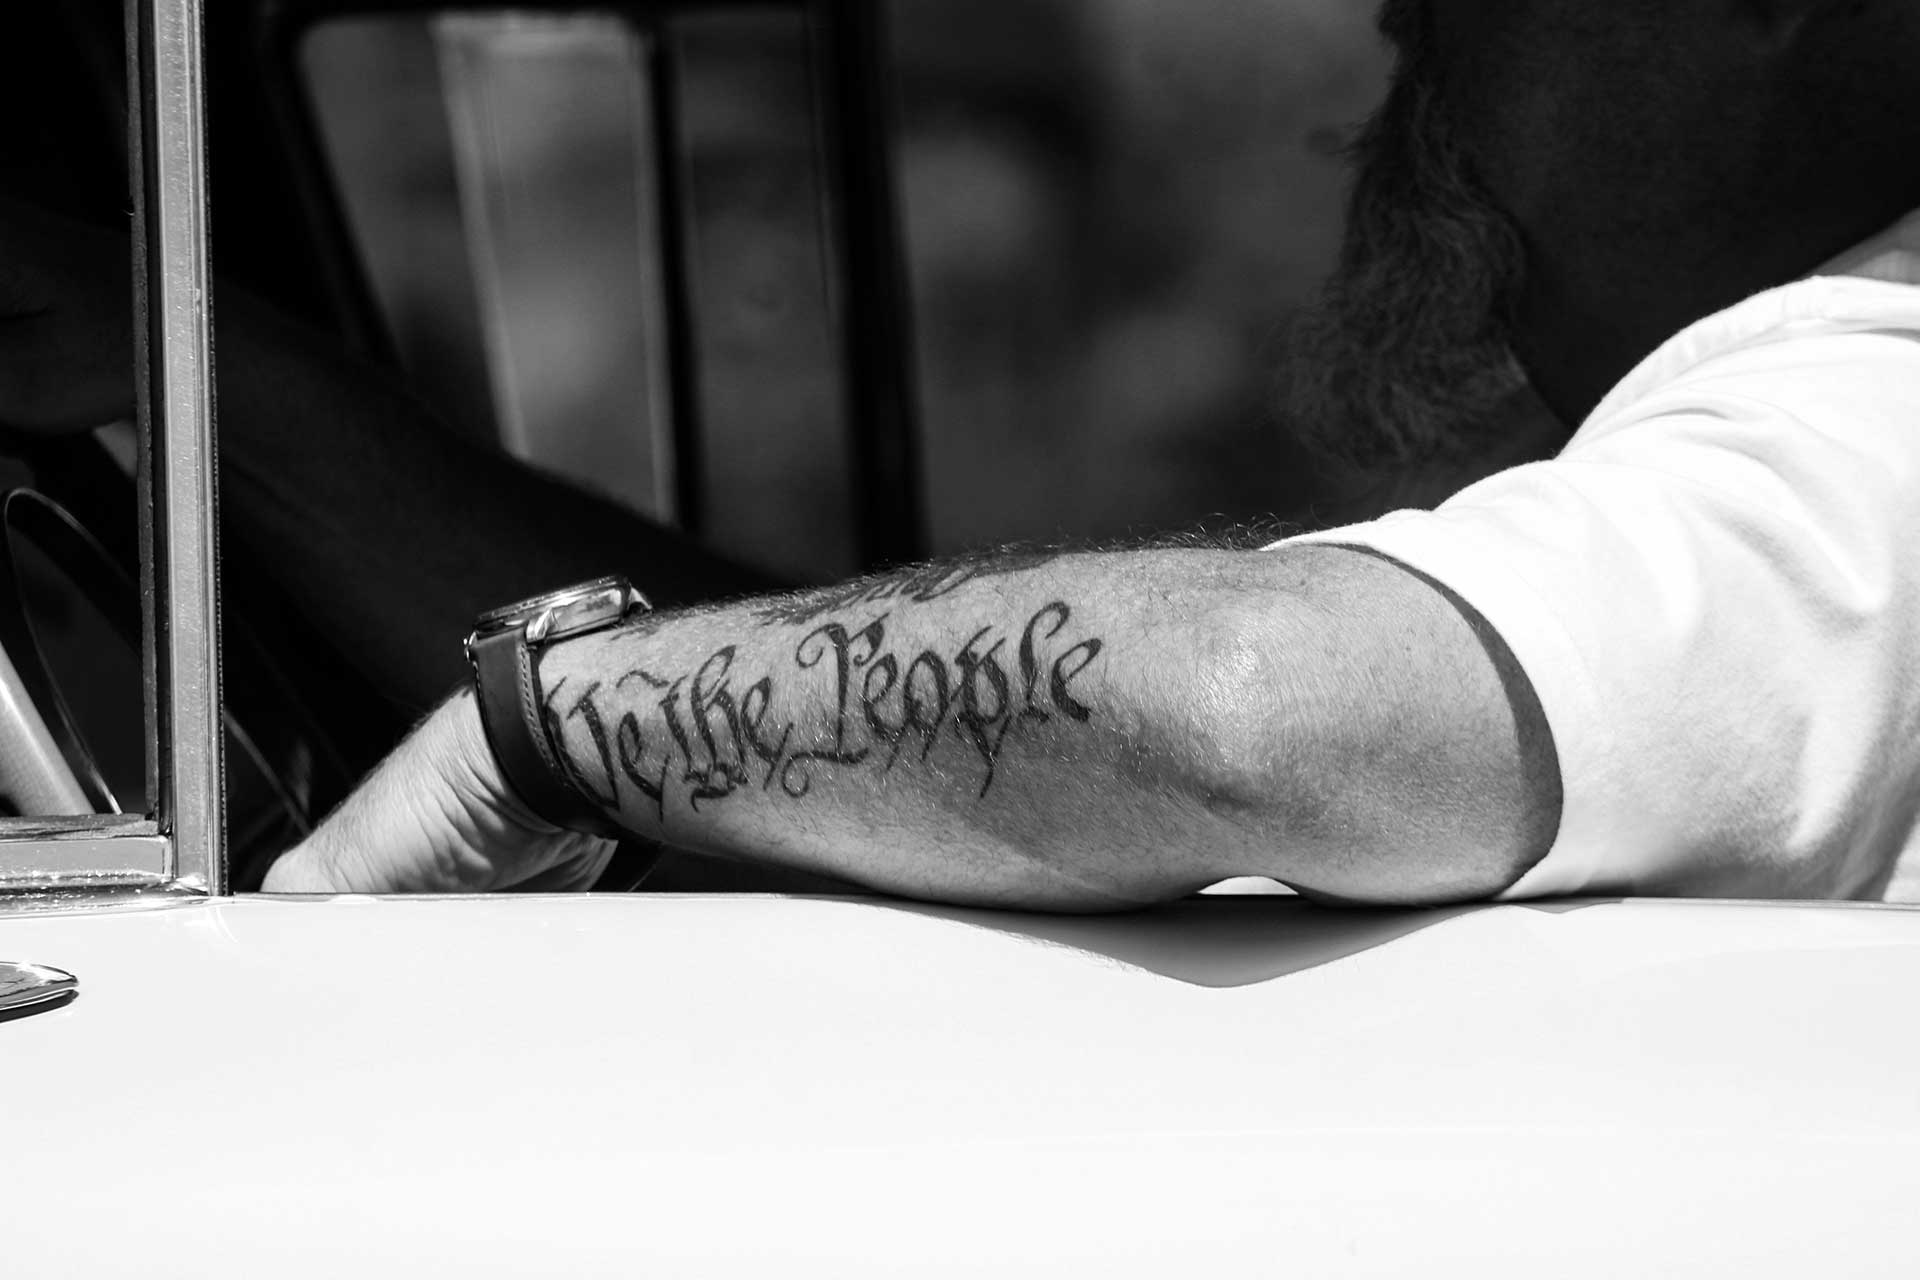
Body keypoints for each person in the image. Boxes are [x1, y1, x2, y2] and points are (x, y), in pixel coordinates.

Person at [266, 0, 1920, 906]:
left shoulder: (1868, 411)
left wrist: (546, 730)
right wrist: (236, 399)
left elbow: (1257, 707)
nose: (1395, 23)